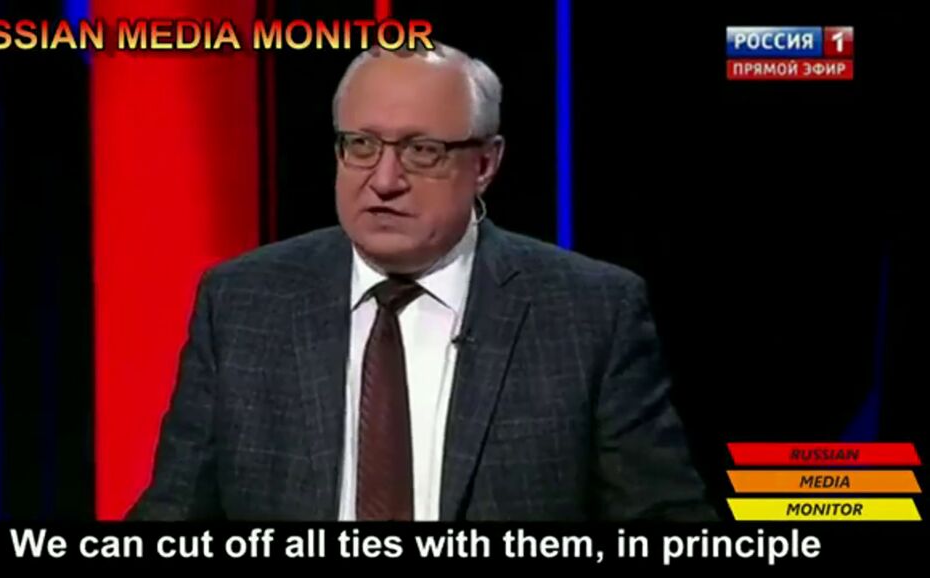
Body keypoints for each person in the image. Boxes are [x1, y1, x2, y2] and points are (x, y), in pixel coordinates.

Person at [127, 43, 717, 522]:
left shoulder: (590, 313)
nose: (385, 180)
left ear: (485, 164)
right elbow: (175, 514)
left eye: (422, 150)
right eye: (361, 145)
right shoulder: (242, 302)